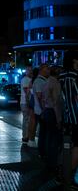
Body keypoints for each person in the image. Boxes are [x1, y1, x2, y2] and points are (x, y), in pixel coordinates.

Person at [59, 51, 78, 186]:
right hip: (76, 117)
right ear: (74, 61)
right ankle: (70, 176)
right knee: (77, 146)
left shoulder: (61, 76)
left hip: (66, 116)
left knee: (66, 146)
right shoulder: (74, 76)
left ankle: (62, 172)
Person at [20, 67, 33, 143]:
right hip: (25, 102)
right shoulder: (25, 80)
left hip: (25, 102)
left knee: (27, 120)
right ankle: (25, 136)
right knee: (26, 120)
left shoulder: (28, 79)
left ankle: (27, 136)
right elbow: (26, 92)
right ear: (26, 72)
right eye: (29, 71)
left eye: (31, 70)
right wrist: (28, 102)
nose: (31, 72)